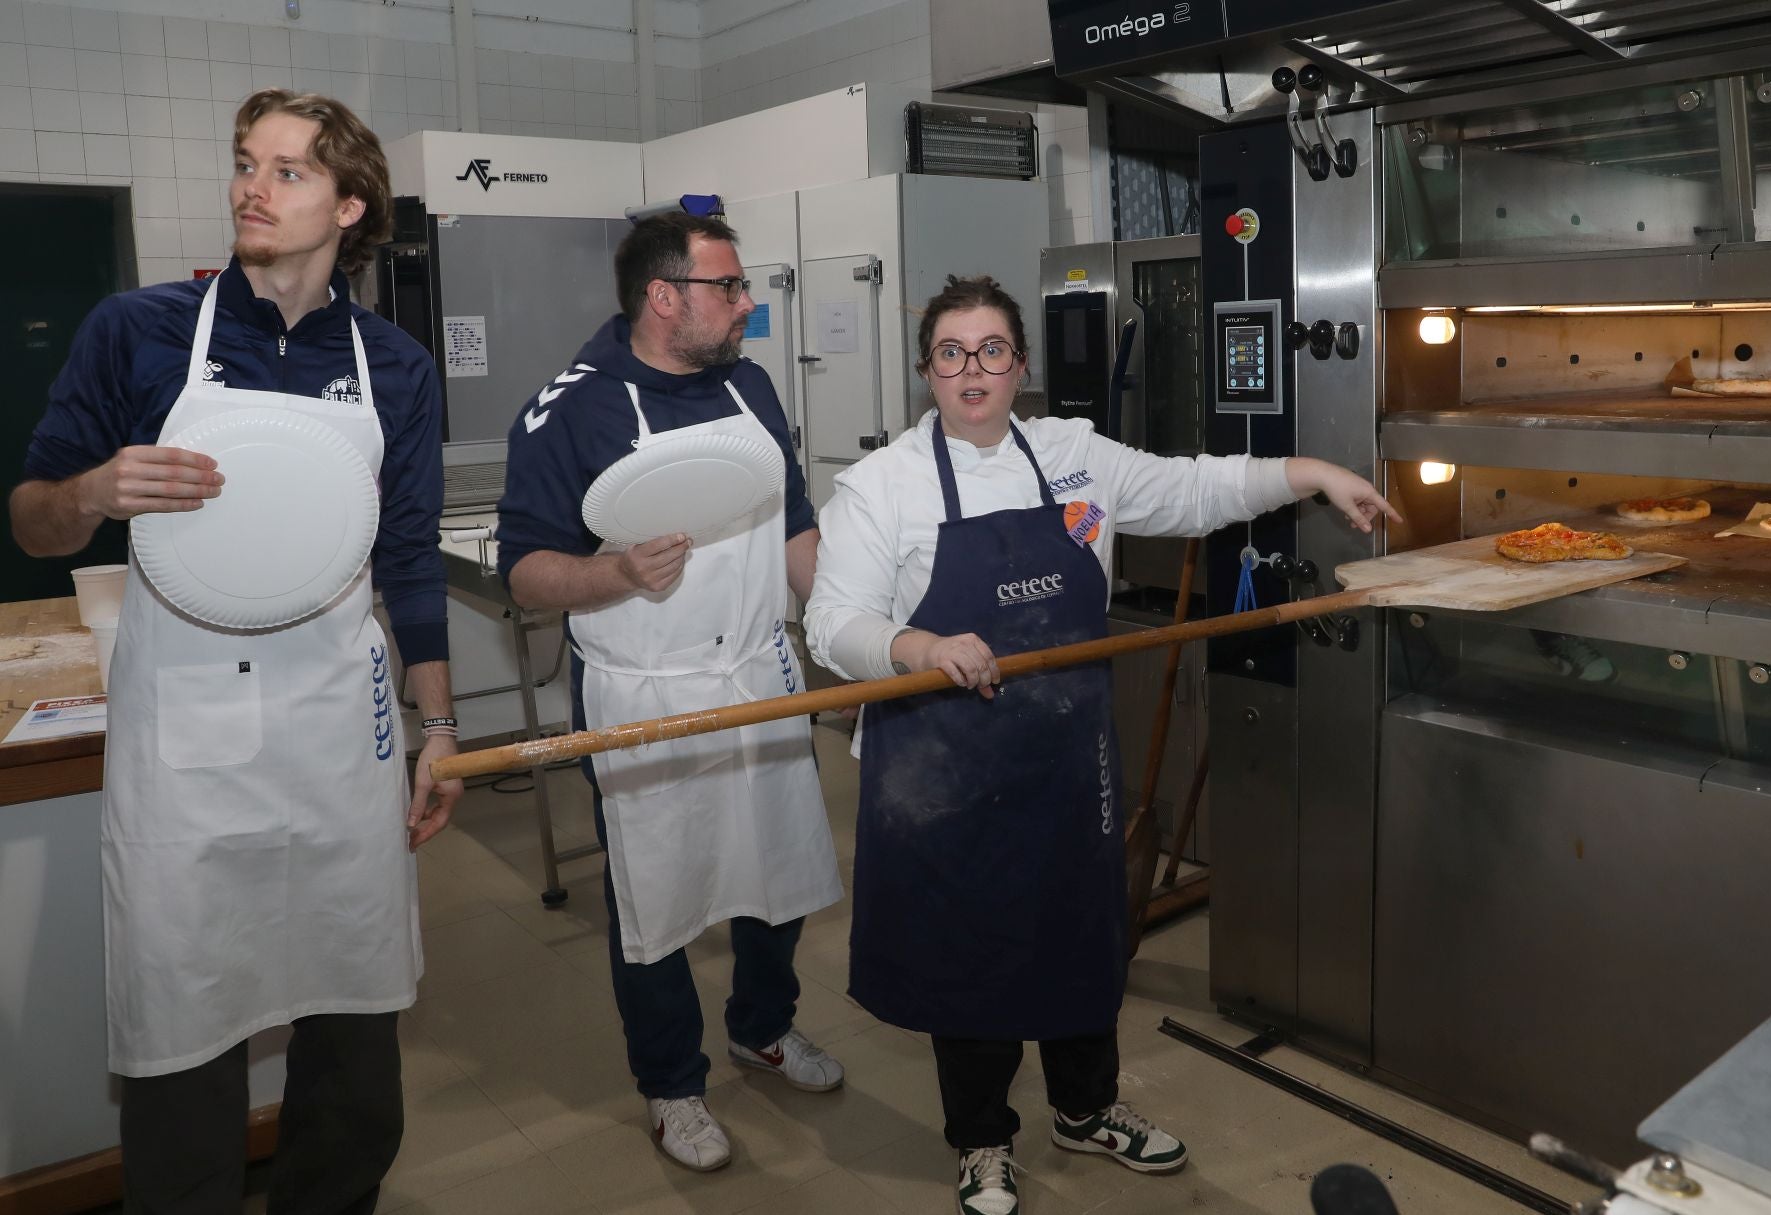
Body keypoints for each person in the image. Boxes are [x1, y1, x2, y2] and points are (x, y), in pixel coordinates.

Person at [805, 275, 1402, 1215]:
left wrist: (1313, 473)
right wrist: (920, 645)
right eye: (952, 352)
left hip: (1064, 753)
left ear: (1021, 366)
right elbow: (832, 621)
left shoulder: (1074, 456)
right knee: (977, 953)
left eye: (993, 350)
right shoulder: (884, 486)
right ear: (928, 371)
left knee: (1081, 934)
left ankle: (1085, 1109)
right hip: (946, 766)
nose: (974, 370)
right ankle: (983, 1140)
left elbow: (1196, 486)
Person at [9, 90, 462, 1214]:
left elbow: (408, 560)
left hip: (335, 719)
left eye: (290, 171)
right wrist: (95, 490)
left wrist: (440, 726)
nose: (253, 188)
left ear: (350, 205)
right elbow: (31, 516)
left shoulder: (394, 367)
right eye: (245, 164)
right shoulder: (143, 330)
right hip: (188, 723)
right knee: (184, 1019)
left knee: (356, 1033)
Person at [494, 212, 844, 1173]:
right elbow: (523, 570)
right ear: (664, 297)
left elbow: (794, 525)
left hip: (756, 672)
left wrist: (860, 629)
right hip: (646, 690)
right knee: (654, 895)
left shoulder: (753, 385)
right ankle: (672, 1084)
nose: (747, 304)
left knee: (779, 868)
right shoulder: (568, 410)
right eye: (728, 288)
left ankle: (762, 1026)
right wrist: (616, 578)